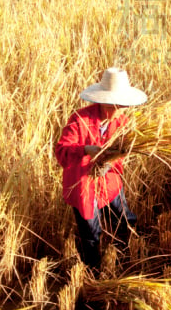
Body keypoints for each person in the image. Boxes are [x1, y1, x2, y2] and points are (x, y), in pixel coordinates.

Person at [55, 67, 147, 271]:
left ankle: (130, 257)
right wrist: (86, 149)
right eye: (120, 105)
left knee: (125, 219)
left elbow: (122, 152)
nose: (123, 109)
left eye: (124, 105)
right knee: (90, 232)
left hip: (109, 181)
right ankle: (93, 272)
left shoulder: (122, 122)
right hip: (83, 185)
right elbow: (61, 151)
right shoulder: (80, 120)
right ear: (107, 102)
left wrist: (110, 162)